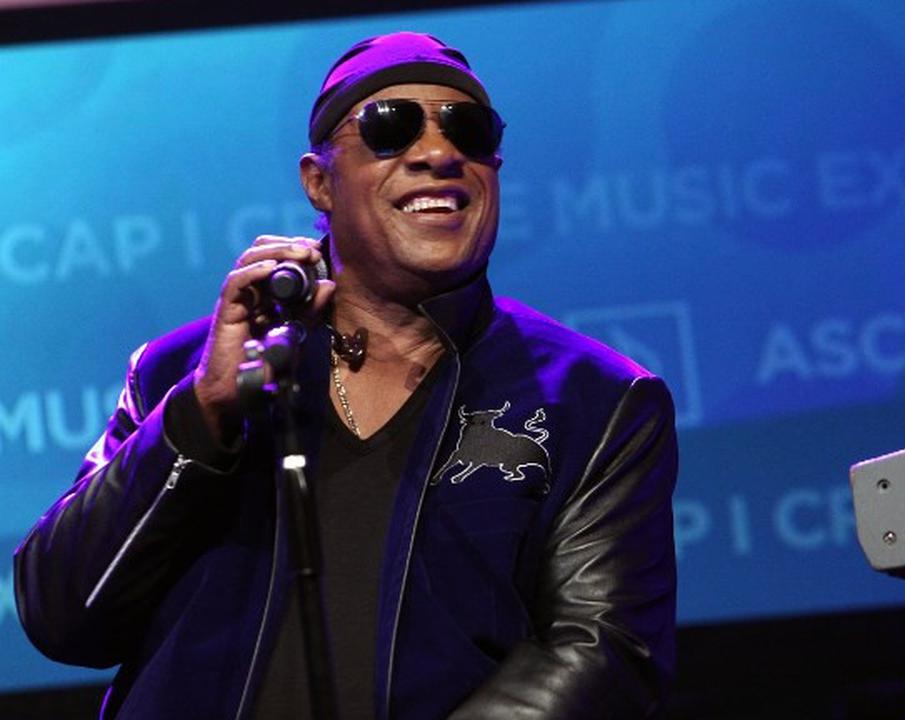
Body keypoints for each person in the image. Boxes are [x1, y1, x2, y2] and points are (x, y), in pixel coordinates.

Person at [14, 32, 678, 720]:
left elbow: (602, 654)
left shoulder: (597, 402)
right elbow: (62, 617)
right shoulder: (178, 374)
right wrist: (201, 416)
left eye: (468, 130)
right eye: (391, 128)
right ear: (319, 182)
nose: (438, 153)